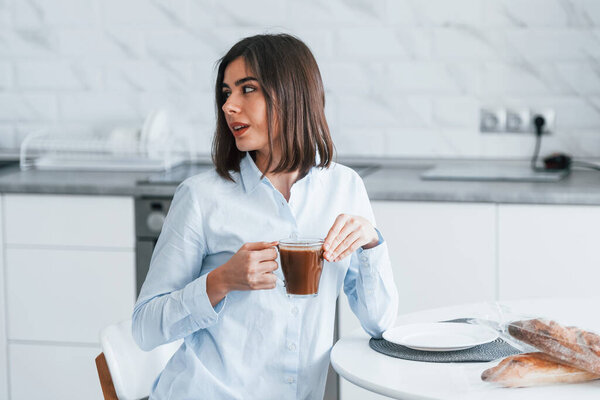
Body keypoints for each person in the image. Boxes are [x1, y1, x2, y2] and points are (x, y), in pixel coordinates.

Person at [132, 33, 398, 400]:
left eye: (247, 90)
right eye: (226, 93)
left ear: (292, 94)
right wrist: (221, 280)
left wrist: (371, 241)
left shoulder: (345, 189)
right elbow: (144, 327)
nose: (229, 107)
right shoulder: (200, 196)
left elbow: (380, 324)